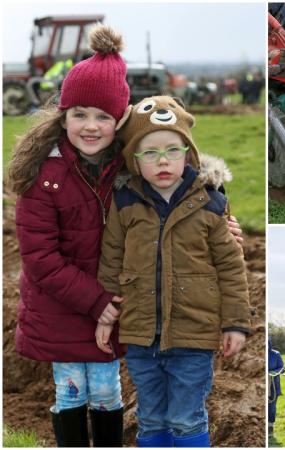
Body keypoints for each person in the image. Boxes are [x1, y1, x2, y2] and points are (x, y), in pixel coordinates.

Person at [96, 96, 251, 447]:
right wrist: (105, 315)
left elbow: (230, 267)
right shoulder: (125, 203)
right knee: (150, 418)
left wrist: (235, 324)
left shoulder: (211, 203)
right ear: (134, 161)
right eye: (149, 153)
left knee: (186, 417)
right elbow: (111, 259)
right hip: (141, 336)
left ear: (188, 153)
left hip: (192, 336)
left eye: (172, 150)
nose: (162, 161)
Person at [8, 25, 132, 448]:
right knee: (71, 391)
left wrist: (218, 209)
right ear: (63, 115)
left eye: (103, 116)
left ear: (121, 119)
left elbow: (179, 191)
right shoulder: (43, 174)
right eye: (79, 114)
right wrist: (99, 304)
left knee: (107, 391)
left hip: (111, 305)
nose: (90, 126)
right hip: (63, 308)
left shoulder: (130, 171)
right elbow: (40, 258)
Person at [268, 338, 285, 436]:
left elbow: (282, 369)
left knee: (272, 407)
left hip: (273, 386)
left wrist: (271, 373)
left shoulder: (276, 354)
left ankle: (270, 426)